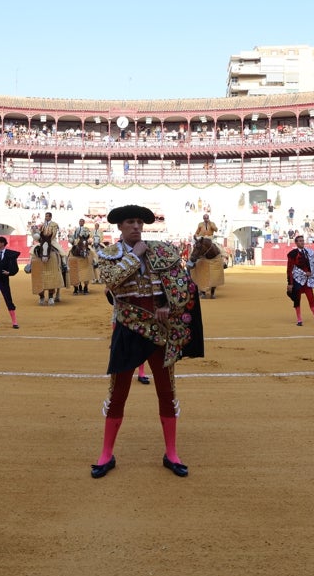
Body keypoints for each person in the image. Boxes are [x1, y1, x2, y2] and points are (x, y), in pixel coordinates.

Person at [91, 204, 203, 479]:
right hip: (127, 327)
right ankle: (106, 455)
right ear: (119, 227)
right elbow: (111, 282)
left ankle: (172, 453)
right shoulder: (107, 255)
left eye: (140, 222)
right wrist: (134, 257)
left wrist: (167, 303)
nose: (136, 227)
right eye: (130, 222)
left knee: (166, 392)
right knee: (118, 394)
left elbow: (181, 282)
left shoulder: (160, 250)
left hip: (159, 328)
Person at [285, 234, 314, 326]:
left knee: (311, 298)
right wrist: (290, 283)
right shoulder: (292, 254)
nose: (302, 242)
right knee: (297, 299)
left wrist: (311, 273)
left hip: (308, 280)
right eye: (300, 241)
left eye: (302, 240)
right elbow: (290, 269)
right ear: (296, 243)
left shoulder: (309, 252)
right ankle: (299, 319)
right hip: (297, 279)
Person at [31, 211, 65, 305]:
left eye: (47, 216)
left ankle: (64, 265)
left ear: (51, 217)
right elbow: (39, 233)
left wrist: (47, 238)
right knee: (33, 250)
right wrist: (35, 233)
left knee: (62, 252)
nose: (46, 217)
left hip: (51, 240)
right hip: (43, 241)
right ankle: (30, 265)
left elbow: (53, 234)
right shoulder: (42, 225)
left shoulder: (54, 225)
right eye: (45, 216)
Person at [68, 218, 96, 295]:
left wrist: (85, 236)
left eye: (82, 221)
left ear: (84, 223)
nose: (81, 222)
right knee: (69, 251)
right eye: (80, 221)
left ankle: (94, 262)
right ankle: (66, 263)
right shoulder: (76, 229)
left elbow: (88, 235)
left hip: (84, 241)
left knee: (92, 251)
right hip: (77, 241)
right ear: (79, 222)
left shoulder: (86, 229)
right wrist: (72, 239)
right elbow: (74, 236)